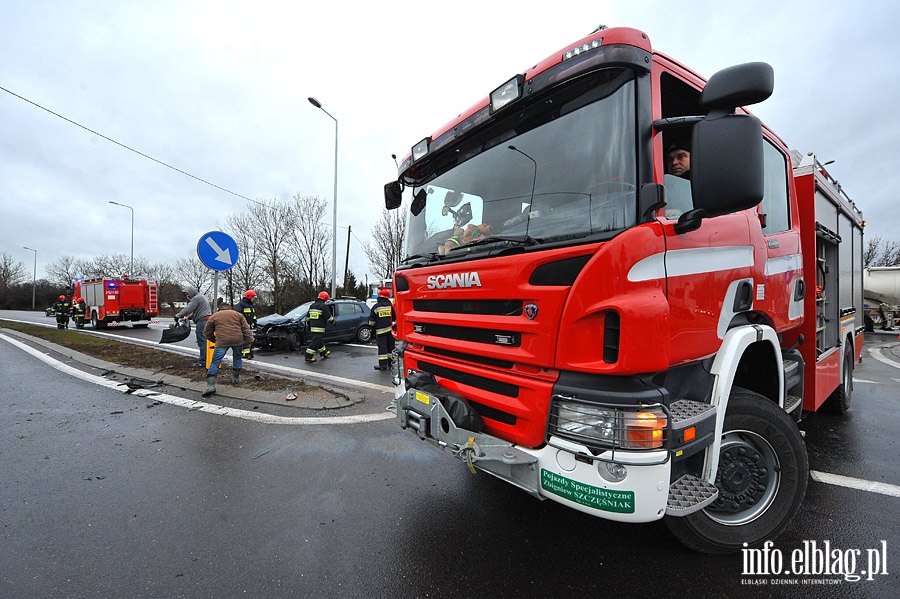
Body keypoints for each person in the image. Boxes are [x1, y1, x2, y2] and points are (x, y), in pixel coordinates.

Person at [201, 303, 254, 397]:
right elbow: (246, 329)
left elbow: (207, 331)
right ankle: (235, 379)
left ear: (219, 308)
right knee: (237, 358)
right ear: (230, 307)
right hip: (237, 340)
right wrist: (250, 340)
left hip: (222, 341)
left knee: (215, 362)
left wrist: (214, 339)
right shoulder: (238, 315)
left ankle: (211, 386)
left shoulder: (215, 316)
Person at [175, 286, 212, 367]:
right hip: (206, 320)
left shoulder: (196, 298)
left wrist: (178, 316)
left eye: (187, 294)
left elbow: (188, 309)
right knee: (205, 341)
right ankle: (207, 359)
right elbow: (197, 311)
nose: (187, 296)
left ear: (191, 292)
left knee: (202, 342)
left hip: (202, 322)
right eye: (185, 294)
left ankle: (202, 362)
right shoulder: (201, 297)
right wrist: (188, 317)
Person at [368, 288, 395, 370]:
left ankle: (383, 365)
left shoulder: (376, 307)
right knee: (391, 347)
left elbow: (371, 322)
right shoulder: (390, 305)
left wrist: (372, 330)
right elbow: (394, 316)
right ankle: (391, 364)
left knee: (383, 348)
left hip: (381, 331)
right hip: (391, 330)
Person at [305, 291, 334, 363]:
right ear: (325, 299)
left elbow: (307, 318)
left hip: (312, 327)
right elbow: (329, 317)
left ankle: (324, 353)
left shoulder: (312, 306)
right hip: (320, 328)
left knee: (319, 340)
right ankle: (308, 356)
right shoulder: (323, 306)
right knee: (315, 342)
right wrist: (333, 322)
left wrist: (309, 326)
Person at [235, 290, 258, 359]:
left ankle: (247, 353)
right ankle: (245, 353)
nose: (253, 299)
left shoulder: (250, 305)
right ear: (249, 296)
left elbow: (253, 315)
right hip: (243, 325)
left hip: (249, 325)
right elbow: (237, 315)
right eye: (253, 297)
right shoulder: (241, 305)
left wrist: (254, 322)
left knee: (249, 339)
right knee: (245, 339)